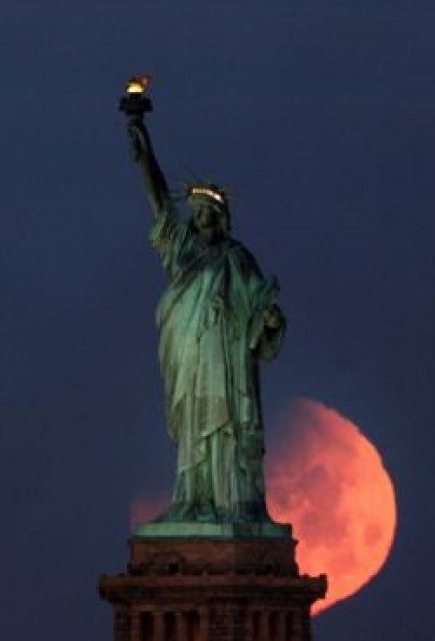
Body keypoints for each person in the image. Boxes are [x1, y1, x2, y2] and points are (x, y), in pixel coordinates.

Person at [127, 119, 286, 523]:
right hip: (187, 350)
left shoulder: (236, 257)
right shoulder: (179, 247)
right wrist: (145, 151)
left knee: (224, 423)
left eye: (208, 213)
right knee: (193, 423)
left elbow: (258, 304)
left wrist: (268, 321)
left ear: (221, 218)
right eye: (196, 212)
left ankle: (230, 502)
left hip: (224, 353)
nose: (201, 218)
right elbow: (160, 201)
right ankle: (193, 498)